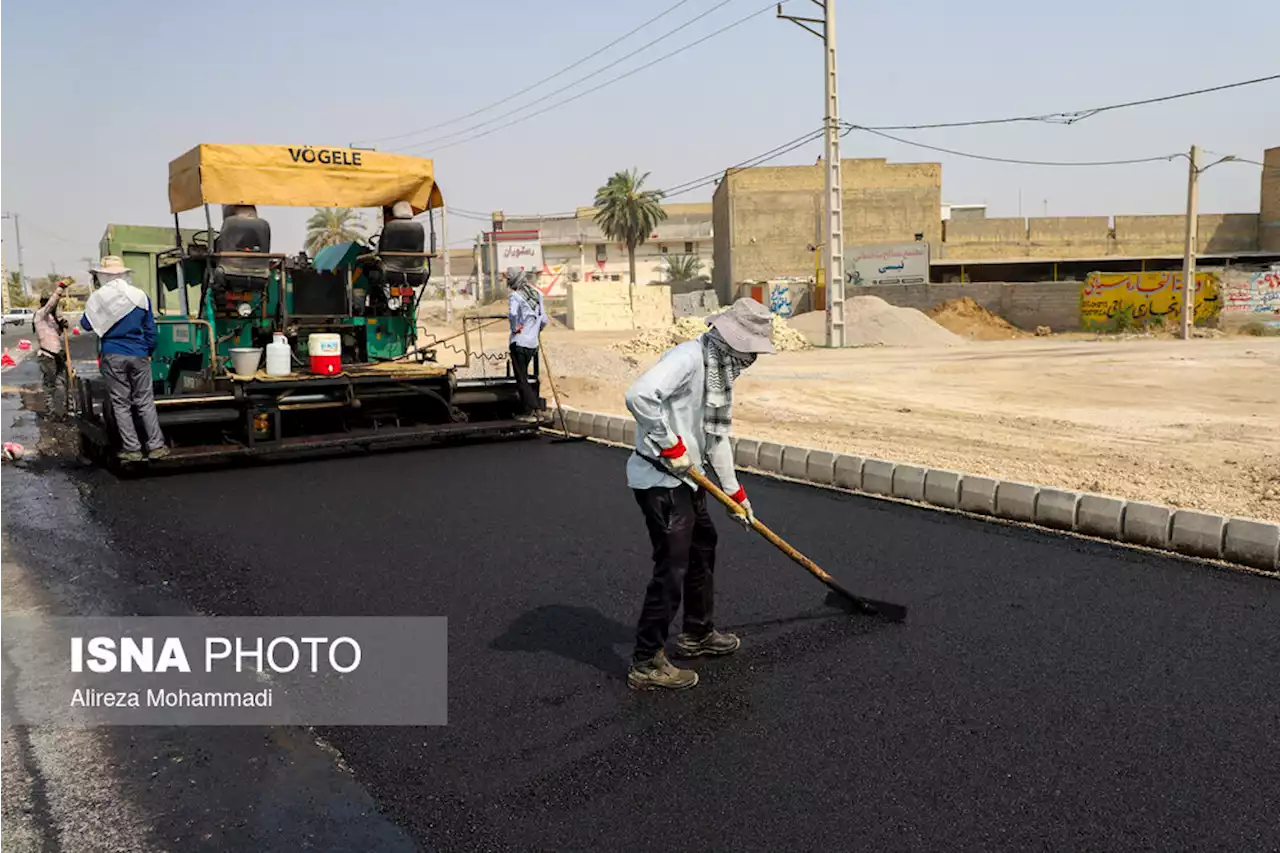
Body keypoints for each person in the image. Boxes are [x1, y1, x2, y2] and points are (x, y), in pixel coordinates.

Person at [623, 297, 775, 691]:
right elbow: (639, 395)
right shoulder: (688, 358)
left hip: (688, 480)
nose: (753, 359)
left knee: (703, 546)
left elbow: (716, 437)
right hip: (660, 481)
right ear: (733, 341)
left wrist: (735, 494)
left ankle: (697, 633)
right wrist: (669, 445)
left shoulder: (718, 373)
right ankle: (646, 659)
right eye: (752, 350)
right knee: (672, 566)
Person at [79, 256, 168, 462]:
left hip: (113, 354)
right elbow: (150, 330)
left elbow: (86, 324)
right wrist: (148, 350)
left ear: (103, 275)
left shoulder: (98, 298)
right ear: (124, 274)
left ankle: (132, 449)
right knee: (145, 401)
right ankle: (156, 446)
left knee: (121, 403)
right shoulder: (139, 297)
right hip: (139, 354)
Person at [506, 266, 548, 422]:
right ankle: (529, 409)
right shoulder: (537, 294)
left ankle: (532, 410)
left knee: (521, 378)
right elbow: (544, 320)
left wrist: (514, 327)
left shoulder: (515, 296)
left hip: (519, 342)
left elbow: (512, 314)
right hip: (533, 344)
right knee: (525, 377)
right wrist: (536, 329)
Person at [33, 278, 71, 419]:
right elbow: (51, 304)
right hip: (47, 356)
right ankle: (51, 412)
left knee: (61, 383)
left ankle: (62, 410)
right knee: (50, 385)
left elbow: (56, 335)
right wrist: (60, 288)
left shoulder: (51, 318)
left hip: (58, 354)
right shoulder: (40, 315)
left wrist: (62, 326)